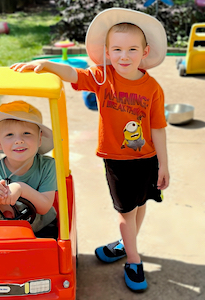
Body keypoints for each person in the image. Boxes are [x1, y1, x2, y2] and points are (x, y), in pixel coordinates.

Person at [11, 8, 169, 292]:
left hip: (147, 158)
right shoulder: (102, 77)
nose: (124, 56)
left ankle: (124, 243)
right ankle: (133, 259)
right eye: (117, 49)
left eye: (132, 49)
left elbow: (158, 128)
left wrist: (165, 165)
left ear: (145, 51)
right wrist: (48, 65)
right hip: (117, 160)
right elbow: (75, 73)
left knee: (141, 204)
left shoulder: (153, 88)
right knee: (125, 212)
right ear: (107, 52)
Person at [0, 100, 58, 238]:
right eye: (9, 135)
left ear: (39, 139)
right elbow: (5, 216)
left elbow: (44, 207)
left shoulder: (47, 166)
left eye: (27, 133)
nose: (18, 140)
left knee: (48, 250)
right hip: (10, 231)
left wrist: (21, 188)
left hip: (44, 228)